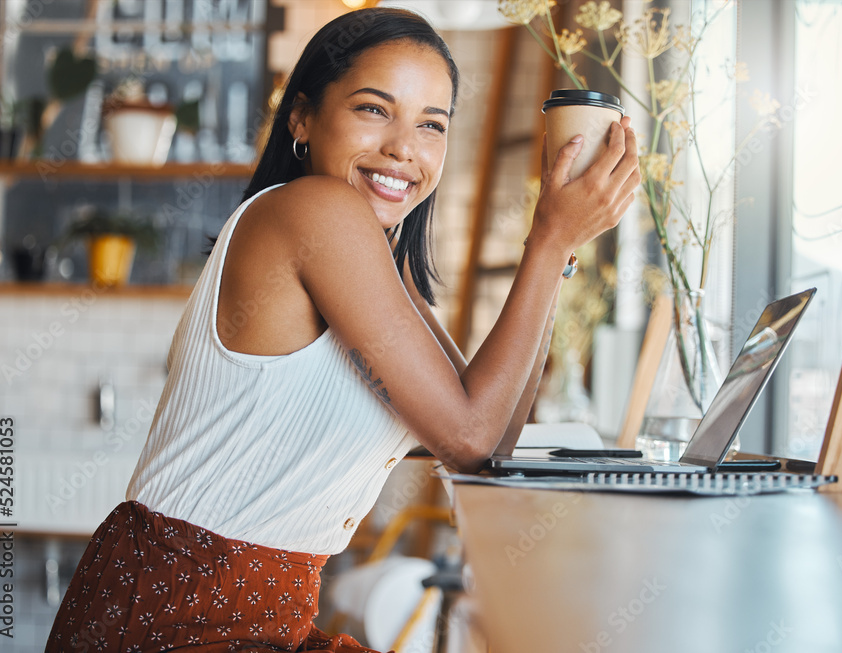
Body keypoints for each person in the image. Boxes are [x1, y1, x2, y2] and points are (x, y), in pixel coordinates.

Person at [45, 7, 639, 652]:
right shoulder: (315, 211)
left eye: (431, 124)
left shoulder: (382, 267)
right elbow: (470, 439)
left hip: (254, 619)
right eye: (373, 110)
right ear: (301, 116)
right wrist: (550, 241)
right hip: (176, 614)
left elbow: (493, 438)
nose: (404, 148)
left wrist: (560, 246)